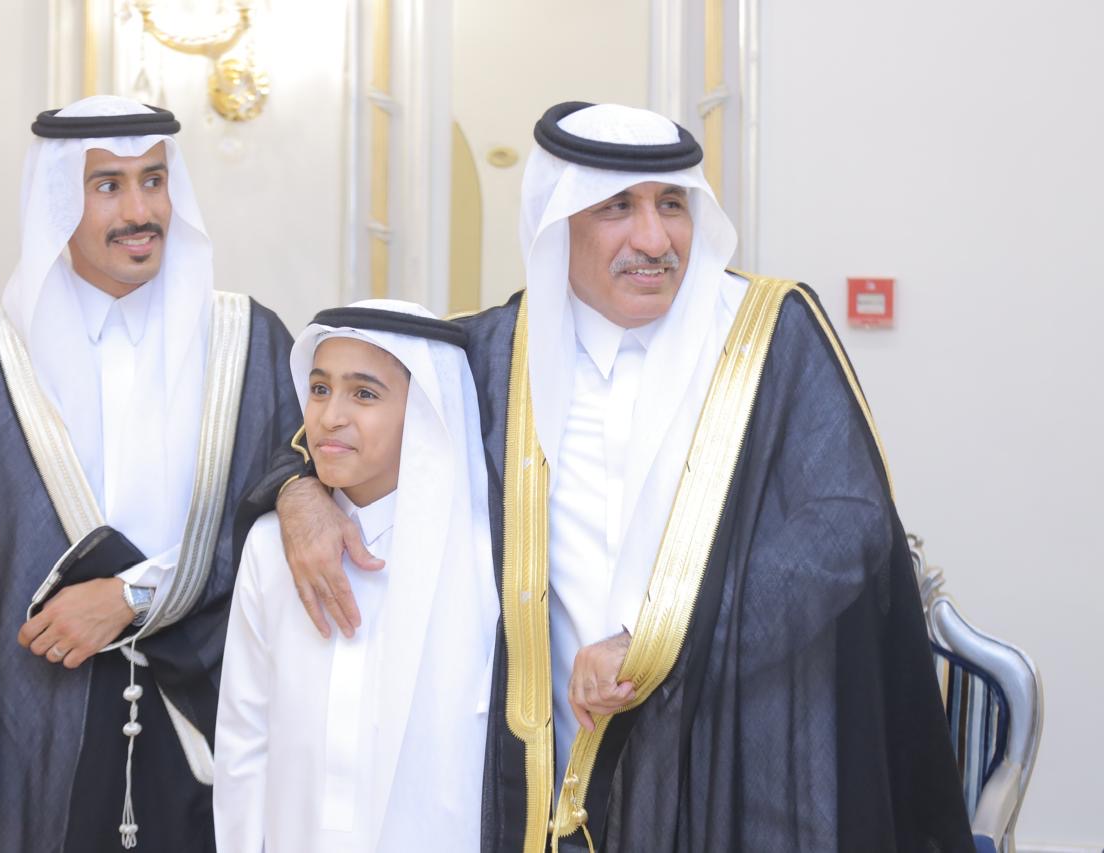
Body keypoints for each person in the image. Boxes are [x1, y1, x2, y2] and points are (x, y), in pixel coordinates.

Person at [254, 102, 973, 851]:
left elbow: (846, 522)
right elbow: (347, 425)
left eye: (672, 204)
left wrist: (661, 642)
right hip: (547, 767)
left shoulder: (769, 332)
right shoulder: (493, 355)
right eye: (617, 207)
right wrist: (299, 490)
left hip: (738, 753)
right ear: (558, 219)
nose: (654, 240)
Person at [0, 96, 299, 853]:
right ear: (57, 202)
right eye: (108, 185)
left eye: (153, 181)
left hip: (210, 714)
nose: (140, 211)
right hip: (35, 724)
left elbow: (278, 523)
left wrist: (132, 596)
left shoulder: (248, 342)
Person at [214, 300, 497, 852]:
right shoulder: (271, 545)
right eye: (320, 389)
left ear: (426, 409)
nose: (330, 416)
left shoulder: (484, 556)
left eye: (364, 394)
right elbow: (244, 740)